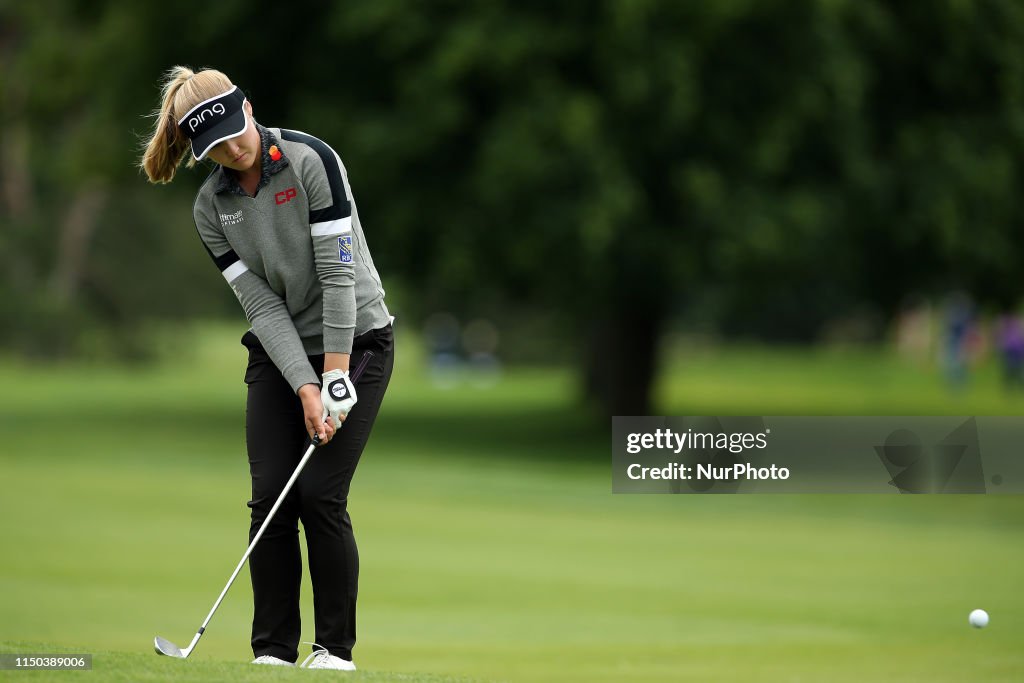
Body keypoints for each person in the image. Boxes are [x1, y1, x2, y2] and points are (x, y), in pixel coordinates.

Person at [140, 66, 394, 670]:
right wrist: (304, 384)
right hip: (282, 354)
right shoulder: (211, 208)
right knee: (270, 499)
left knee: (320, 495)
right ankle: (273, 654)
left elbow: (337, 275)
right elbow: (261, 305)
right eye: (218, 146)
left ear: (248, 108)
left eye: (235, 130)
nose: (235, 148)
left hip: (356, 339)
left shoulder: (312, 161)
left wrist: (332, 376)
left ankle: (334, 652)